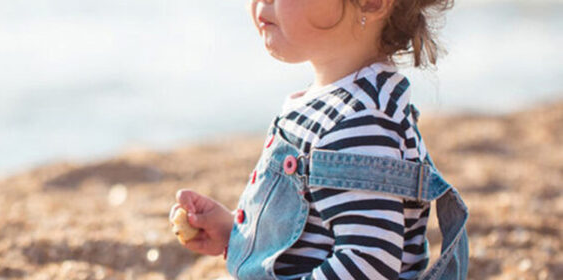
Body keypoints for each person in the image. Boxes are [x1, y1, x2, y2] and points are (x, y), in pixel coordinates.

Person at [169, 0, 469, 279]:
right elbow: (311, 224)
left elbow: (369, 262)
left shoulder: (360, 124)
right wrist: (235, 231)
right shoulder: (335, 104)